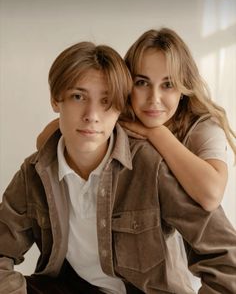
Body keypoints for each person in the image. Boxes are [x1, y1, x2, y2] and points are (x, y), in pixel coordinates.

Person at [1, 41, 236, 294]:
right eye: (78, 97)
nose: (92, 115)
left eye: (106, 101)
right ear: (56, 100)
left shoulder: (152, 166)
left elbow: (226, 261)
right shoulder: (35, 171)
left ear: (120, 107)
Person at [120, 27, 236, 212]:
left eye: (168, 85)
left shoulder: (204, 126)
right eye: (142, 83)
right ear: (128, 85)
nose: (154, 98)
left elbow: (211, 196)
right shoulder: (115, 120)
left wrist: (156, 133)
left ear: (183, 89)